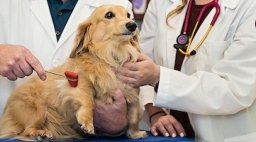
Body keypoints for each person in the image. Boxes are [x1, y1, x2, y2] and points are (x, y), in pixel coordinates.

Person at [117, 0, 256, 141]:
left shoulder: (249, 6)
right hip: (170, 137)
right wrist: (155, 113)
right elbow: (141, 62)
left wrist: (159, 78)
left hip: (224, 136)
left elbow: (236, 89)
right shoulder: (161, 3)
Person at [0, 0, 133, 136]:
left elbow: (134, 86)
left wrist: (121, 122)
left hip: (90, 136)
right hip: (15, 126)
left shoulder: (120, 5)